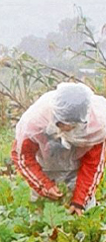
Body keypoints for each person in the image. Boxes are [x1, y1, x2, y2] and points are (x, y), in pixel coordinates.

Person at [11, 83, 106, 215]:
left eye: (72, 124)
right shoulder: (36, 121)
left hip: (78, 177)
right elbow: (23, 157)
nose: (67, 128)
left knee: (83, 218)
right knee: (41, 219)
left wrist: (80, 200)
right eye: (63, 123)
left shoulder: (97, 126)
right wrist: (44, 185)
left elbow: (93, 165)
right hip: (43, 172)